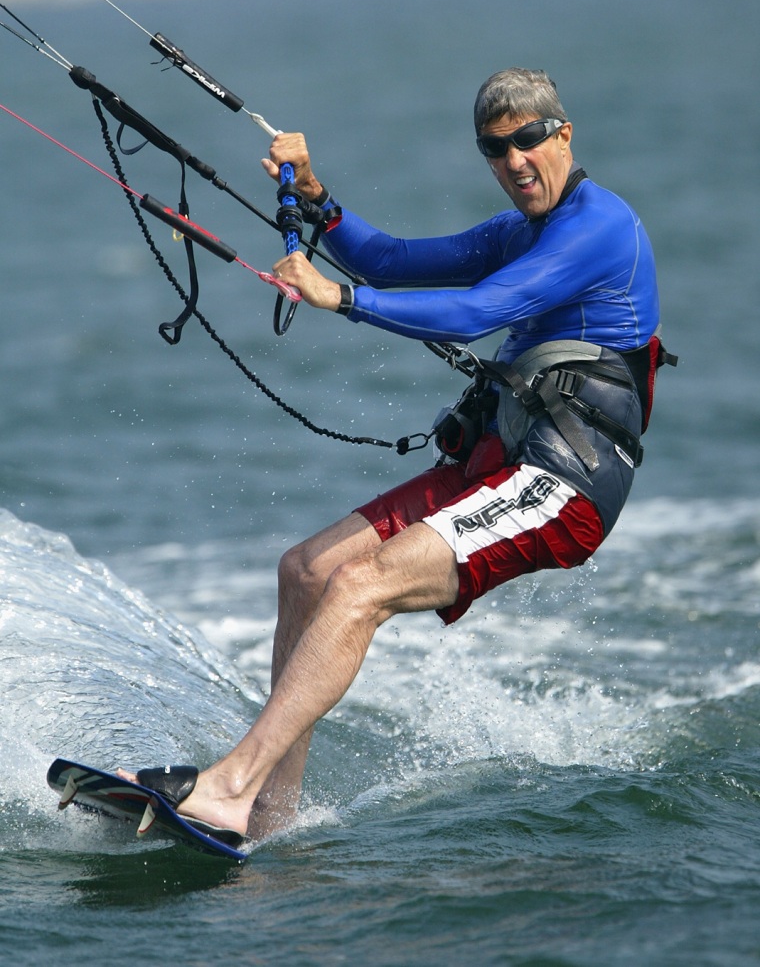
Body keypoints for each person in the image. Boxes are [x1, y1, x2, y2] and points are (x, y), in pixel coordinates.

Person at [120, 68, 672, 846]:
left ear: (563, 134)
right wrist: (316, 198)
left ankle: (228, 786)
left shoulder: (600, 227)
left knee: (358, 586)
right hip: (499, 460)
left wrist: (340, 300)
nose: (515, 161)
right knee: (306, 571)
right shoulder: (519, 231)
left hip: (565, 480)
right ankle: (270, 812)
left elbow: (484, 310)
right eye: (495, 148)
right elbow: (391, 260)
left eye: (527, 140)